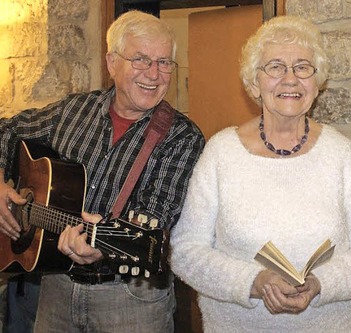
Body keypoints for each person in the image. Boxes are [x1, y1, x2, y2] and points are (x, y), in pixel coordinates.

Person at [170, 15, 351, 333]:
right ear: (253, 83)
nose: (290, 79)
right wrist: (254, 281)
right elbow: (187, 251)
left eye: (303, 67)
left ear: (317, 84)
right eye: (275, 67)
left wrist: (321, 283)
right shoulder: (221, 153)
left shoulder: (341, 154)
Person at [0, 10, 205, 333]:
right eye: (140, 59)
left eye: (164, 62)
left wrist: (102, 243)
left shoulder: (182, 137)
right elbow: (7, 130)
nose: (154, 74)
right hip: (56, 289)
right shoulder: (72, 110)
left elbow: (155, 214)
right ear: (112, 62)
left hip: (131, 300)